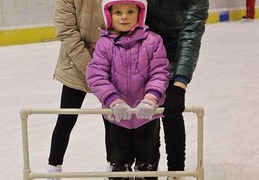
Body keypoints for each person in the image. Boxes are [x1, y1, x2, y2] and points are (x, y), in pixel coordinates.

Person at [86, 0, 170, 179]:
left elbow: (160, 73)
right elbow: (97, 76)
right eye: (118, 13)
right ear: (109, 16)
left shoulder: (153, 41)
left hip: (147, 116)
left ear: (140, 14)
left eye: (130, 11)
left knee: (147, 164)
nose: (124, 17)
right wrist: (113, 101)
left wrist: (151, 98)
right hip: (117, 118)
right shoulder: (104, 44)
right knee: (119, 165)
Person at [145, 0, 209, 180]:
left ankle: (176, 172)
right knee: (146, 114)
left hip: (173, 51)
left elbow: (191, 34)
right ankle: (148, 171)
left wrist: (180, 83)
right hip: (140, 50)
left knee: (172, 111)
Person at [44, 0, 104, 180]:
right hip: (75, 64)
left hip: (110, 60)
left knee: (112, 118)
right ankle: (53, 167)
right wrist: (91, 69)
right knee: (67, 117)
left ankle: (115, 166)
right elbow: (67, 32)